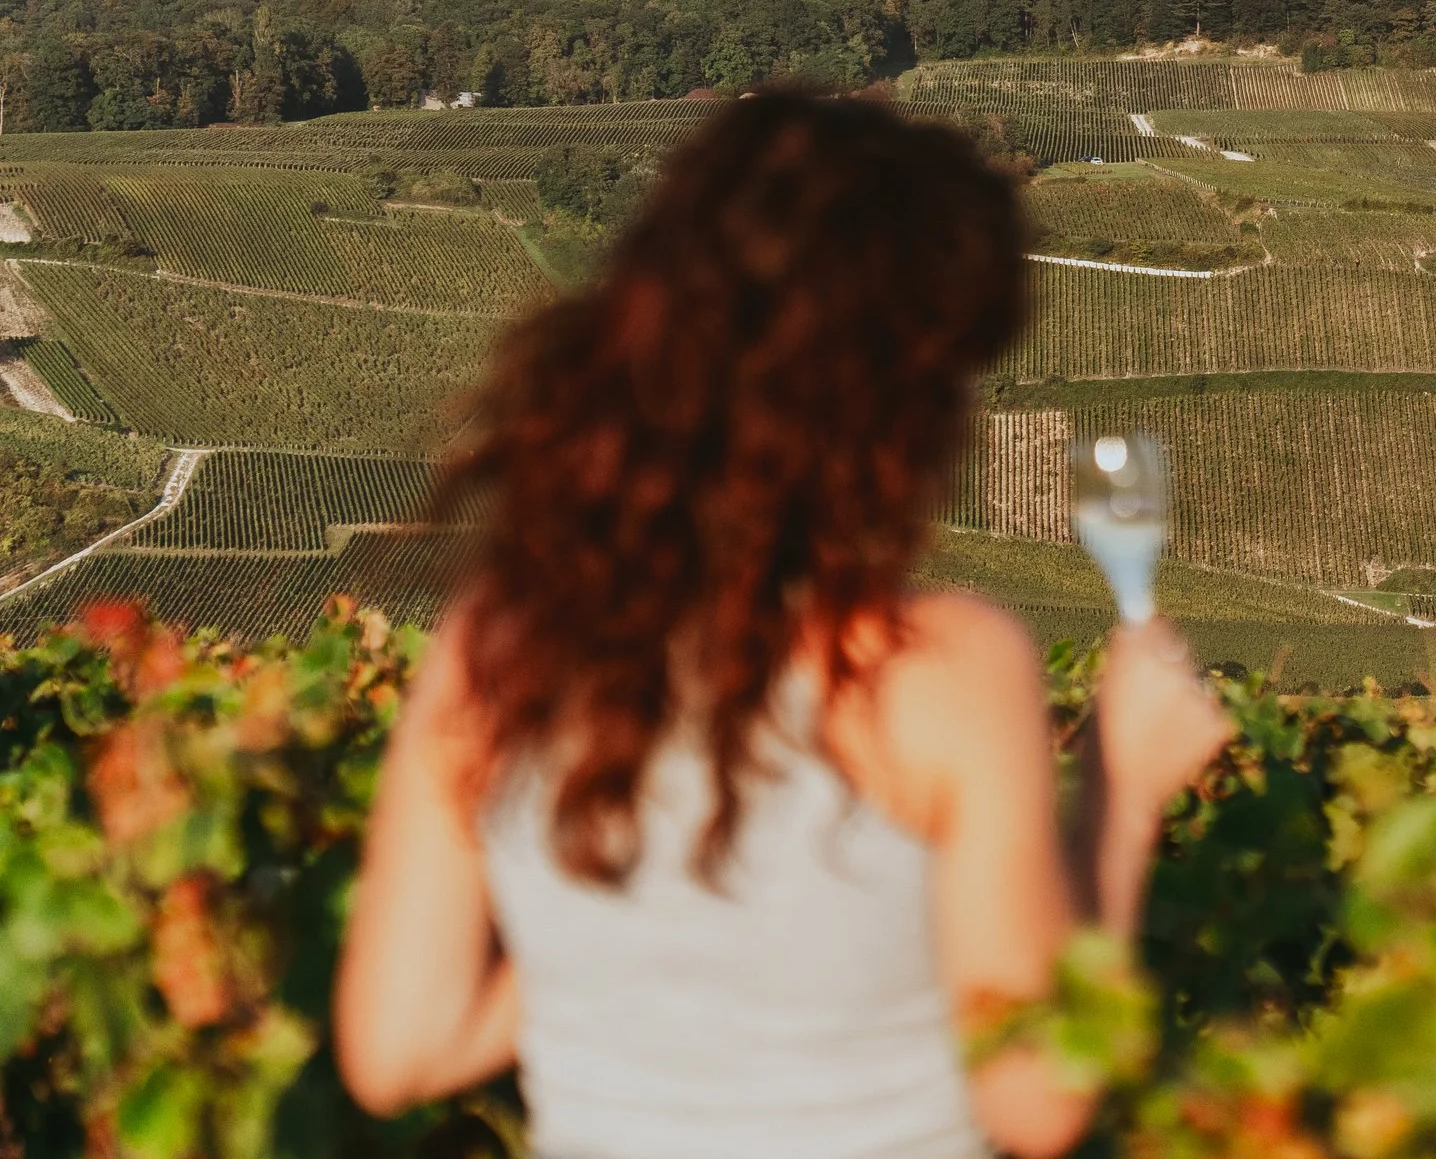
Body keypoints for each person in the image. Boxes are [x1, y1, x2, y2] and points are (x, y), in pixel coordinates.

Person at [334, 89, 1234, 1159]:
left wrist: (640, 939)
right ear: (897, 400)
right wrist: (1124, 798)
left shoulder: (501, 648)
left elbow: (399, 1054)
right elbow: (1037, 1100)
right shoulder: (939, 666)